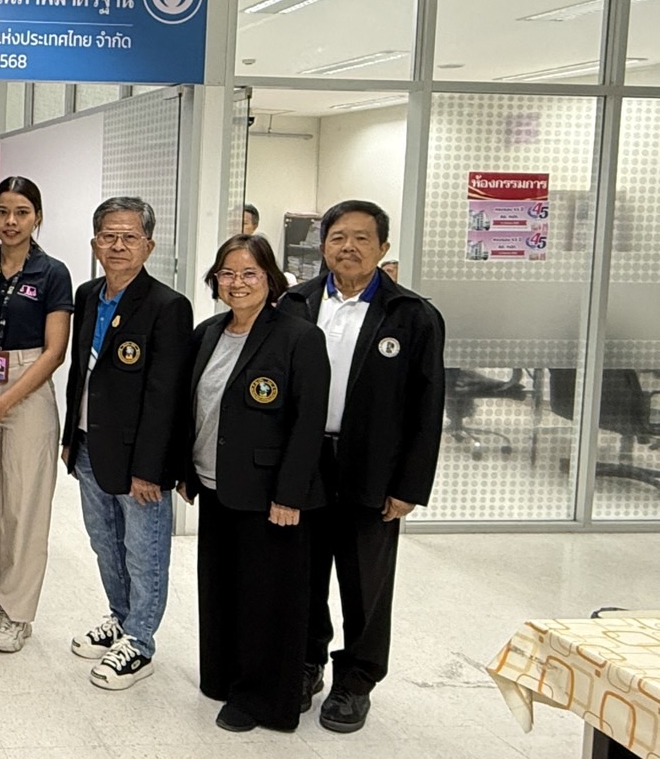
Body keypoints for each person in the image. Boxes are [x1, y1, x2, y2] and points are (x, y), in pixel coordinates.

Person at [278, 201, 445, 734]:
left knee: (364, 581)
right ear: (322, 245)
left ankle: (356, 680)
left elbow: (427, 409)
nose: (348, 247)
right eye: (338, 237)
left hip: (373, 468)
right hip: (305, 464)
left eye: (362, 238)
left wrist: (409, 485)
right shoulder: (294, 303)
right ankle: (307, 664)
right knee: (303, 572)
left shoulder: (412, 315)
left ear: (383, 248)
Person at [180, 233, 329, 734]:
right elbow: (193, 407)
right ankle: (224, 678)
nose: (237, 283)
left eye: (249, 273)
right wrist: (187, 470)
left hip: (269, 495)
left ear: (270, 279)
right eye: (227, 273)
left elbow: (308, 423)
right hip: (215, 484)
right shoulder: (208, 333)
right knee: (221, 591)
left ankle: (263, 699)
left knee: (267, 602)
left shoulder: (298, 338)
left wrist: (289, 494)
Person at [60, 197, 192, 689]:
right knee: (105, 544)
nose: (117, 246)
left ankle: (140, 641)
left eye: (129, 237)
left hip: (140, 459)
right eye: (108, 236)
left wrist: (150, 468)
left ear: (148, 246)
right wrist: (70, 437)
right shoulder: (88, 295)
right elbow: (81, 374)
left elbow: (165, 396)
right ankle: (119, 617)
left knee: (143, 551)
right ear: (95, 243)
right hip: (89, 446)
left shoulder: (167, 306)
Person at [0, 177, 71, 654]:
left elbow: (55, 351)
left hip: (29, 385)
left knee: (25, 504)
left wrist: (6, 401)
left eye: (21, 212)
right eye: (2, 211)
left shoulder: (52, 273)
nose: (10, 221)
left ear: (37, 217)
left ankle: (17, 612)